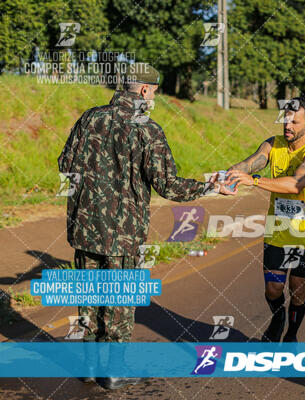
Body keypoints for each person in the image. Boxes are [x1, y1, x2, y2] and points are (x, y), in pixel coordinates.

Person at [58, 63, 234, 389]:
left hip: (84, 227)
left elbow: (65, 165)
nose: (154, 96)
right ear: (143, 90)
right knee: (119, 302)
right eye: (153, 90)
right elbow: (168, 185)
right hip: (122, 234)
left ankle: (88, 365)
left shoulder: (89, 118)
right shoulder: (146, 128)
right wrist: (211, 187)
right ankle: (113, 371)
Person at [227, 96, 305, 343]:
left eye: (295, 121)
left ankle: (291, 335)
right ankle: (277, 317)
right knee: (272, 288)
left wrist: (256, 181)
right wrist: (232, 173)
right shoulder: (274, 144)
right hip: (277, 232)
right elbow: (254, 161)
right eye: (286, 119)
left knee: (297, 290)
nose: (288, 125)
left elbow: (296, 184)